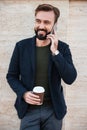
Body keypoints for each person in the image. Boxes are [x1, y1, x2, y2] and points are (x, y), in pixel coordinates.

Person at [6, 4, 77, 130]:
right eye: (38, 21)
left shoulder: (62, 48)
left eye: (47, 22)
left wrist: (55, 52)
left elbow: (70, 78)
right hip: (28, 110)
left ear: (54, 25)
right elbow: (11, 76)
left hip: (53, 110)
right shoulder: (21, 47)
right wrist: (23, 94)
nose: (41, 26)